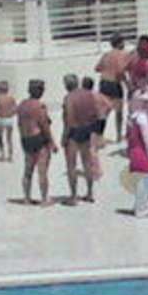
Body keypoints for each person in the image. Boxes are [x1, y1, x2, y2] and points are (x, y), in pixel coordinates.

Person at [61, 76, 107, 205]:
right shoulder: (89, 95)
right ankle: (90, 193)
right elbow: (97, 113)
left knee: (71, 165)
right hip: (86, 129)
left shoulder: (69, 98)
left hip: (74, 131)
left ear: (67, 85)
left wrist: (64, 136)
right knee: (87, 163)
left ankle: (74, 196)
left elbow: (69, 119)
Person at [124, 87, 148, 218]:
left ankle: (139, 205)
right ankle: (142, 209)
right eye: (144, 102)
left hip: (134, 151)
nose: (147, 104)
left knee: (140, 179)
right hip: (141, 152)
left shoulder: (132, 117)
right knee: (145, 179)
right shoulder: (142, 118)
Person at [16, 79, 55, 205]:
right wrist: (51, 142)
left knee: (28, 170)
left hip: (25, 138)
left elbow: (19, 123)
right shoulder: (40, 106)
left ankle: (26, 198)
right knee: (42, 171)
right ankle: (44, 199)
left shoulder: (22, 105)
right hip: (38, 137)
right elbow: (44, 125)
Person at [94, 35, 132, 122]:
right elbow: (120, 71)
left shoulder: (106, 55)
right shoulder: (123, 54)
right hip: (114, 83)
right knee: (118, 111)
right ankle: (118, 130)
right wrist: (127, 84)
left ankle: (99, 129)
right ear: (119, 43)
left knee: (104, 111)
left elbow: (97, 68)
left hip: (103, 83)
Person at [0, 79, 18, 163]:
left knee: (0, 137)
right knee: (9, 138)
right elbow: (15, 109)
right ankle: (10, 156)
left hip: (2, 119)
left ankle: (2, 154)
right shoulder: (11, 99)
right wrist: (10, 113)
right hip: (9, 120)